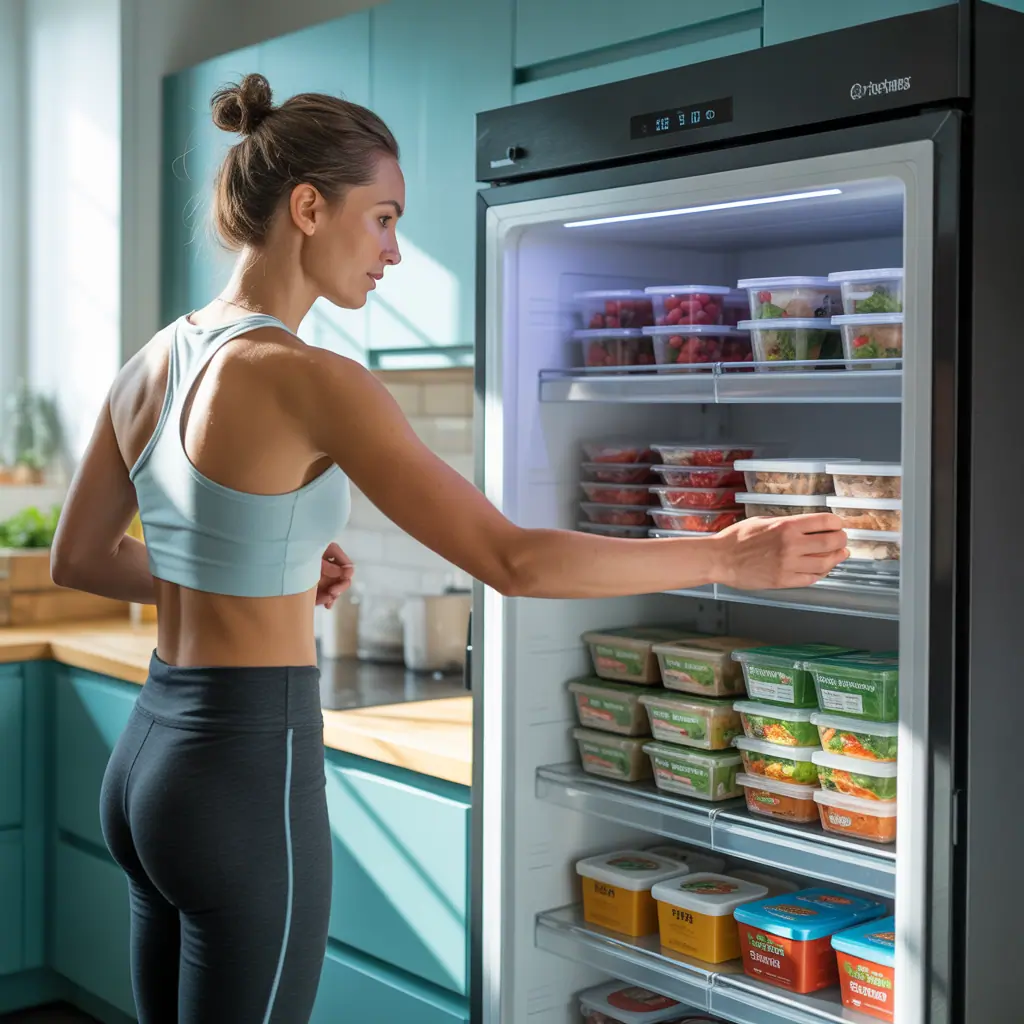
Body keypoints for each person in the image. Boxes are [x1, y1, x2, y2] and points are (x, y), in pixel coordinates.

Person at [50, 73, 848, 1023]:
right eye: (382, 218)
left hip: (150, 763)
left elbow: (82, 559)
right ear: (308, 208)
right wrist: (723, 556)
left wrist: (268, 570)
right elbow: (512, 560)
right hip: (243, 771)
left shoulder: (153, 358)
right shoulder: (311, 377)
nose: (393, 252)